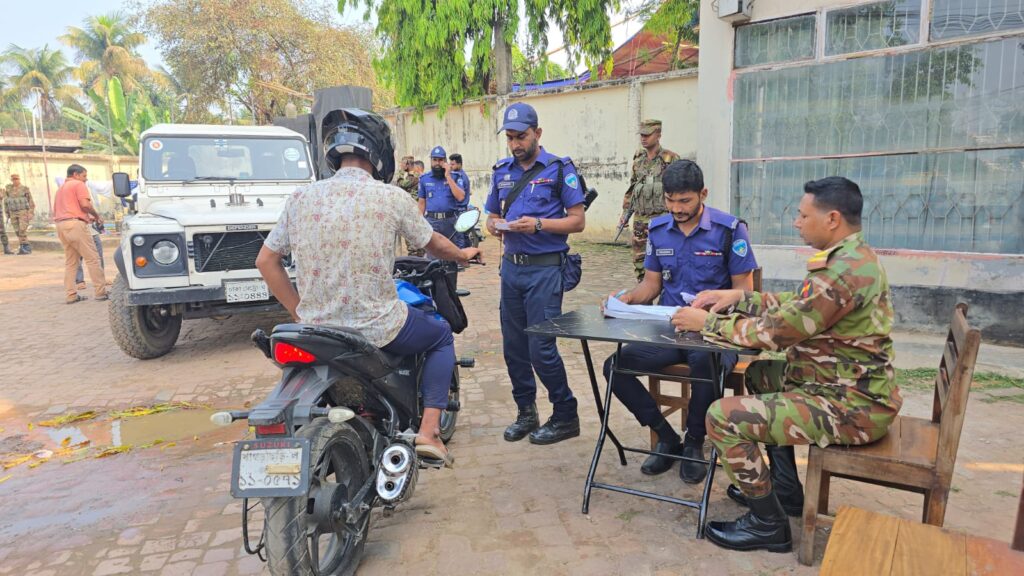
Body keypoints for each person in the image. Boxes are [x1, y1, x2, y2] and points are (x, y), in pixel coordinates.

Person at [675, 176, 901, 553]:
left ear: (831, 219)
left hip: (852, 406)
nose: (797, 222)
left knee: (721, 417)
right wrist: (742, 296)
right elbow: (799, 304)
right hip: (845, 383)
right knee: (764, 376)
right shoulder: (849, 257)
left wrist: (709, 323)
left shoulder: (841, 273)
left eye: (802, 215)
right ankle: (785, 490)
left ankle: (768, 523)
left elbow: (779, 333)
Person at [255, 108, 479, 465]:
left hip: (315, 331)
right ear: (378, 154)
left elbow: (266, 262)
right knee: (439, 335)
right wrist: (463, 254)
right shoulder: (391, 197)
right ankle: (429, 432)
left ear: (335, 154)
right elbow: (433, 243)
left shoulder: (300, 198)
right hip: (377, 328)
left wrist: (300, 312)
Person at [602, 160, 757, 483]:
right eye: (670, 201)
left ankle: (694, 443)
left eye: (684, 201)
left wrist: (710, 313)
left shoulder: (729, 231)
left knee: (705, 363)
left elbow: (745, 292)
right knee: (615, 366)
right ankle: (665, 435)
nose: (676, 208)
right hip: (670, 330)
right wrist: (626, 300)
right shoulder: (659, 230)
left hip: (716, 333)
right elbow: (651, 286)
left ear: (703, 194)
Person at [485, 102, 586, 445]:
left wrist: (539, 224)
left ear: (537, 133)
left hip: (545, 270)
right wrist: (495, 227)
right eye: (510, 137)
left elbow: (578, 220)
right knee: (514, 347)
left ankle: (565, 414)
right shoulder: (501, 172)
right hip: (512, 270)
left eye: (521, 136)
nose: (515, 144)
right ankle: (526, 412)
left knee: (541, 347)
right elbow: (488, 216)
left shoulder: (559, 169)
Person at [622, 120, 679, 281]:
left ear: (658, 135)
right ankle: (643, 296)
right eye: (642, 135)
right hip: (640, 219)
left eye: (648, 135)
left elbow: (679, 190)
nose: (644, 138)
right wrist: (625, 212)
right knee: (640, 263)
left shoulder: (671, 159)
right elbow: (633, 188)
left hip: (663, 219)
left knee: (665, 260)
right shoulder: (638, 160)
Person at [53, 165, 108, 304]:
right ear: (76, 174)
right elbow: (85, 205)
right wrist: (96, 215)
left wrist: (86, 218)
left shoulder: (60, 189)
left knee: (71, 262)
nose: (86, 179)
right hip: (75, 225)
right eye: (84, 176)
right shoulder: (78, 184)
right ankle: (100, 292)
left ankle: (71, 294)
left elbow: (68, 209)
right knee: (93, 258)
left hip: (61, 225)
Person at [418, 145, 467, 251]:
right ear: (431, 161)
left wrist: (448, 176)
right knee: (432, 255)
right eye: (434, 160)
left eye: (440, 160)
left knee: (452, 254)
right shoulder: (424, 179)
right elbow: (421, 203)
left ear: (445, 161)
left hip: (450, 222)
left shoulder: (455, 177)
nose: (437, 163)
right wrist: (419, 223)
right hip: (432, 222)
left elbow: (460, 197)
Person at [395, 155, 425, 257]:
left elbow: (400, 184)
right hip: (411, 209)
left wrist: (401, 172)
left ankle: (415, 258)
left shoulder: (415, 177)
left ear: (407, 164)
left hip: (414, 210)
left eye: (402, 164)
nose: (401, 166)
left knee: (413, 240)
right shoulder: (412, 176)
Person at [3, 174, 36, 255]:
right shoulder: (8, 189)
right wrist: (7, 213)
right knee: (17, 231)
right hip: (12, 212)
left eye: (17, 179)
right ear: (11, 180)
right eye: (13, 179)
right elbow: (6, 202)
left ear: (19, 179)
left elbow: (31, 201)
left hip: (23, 212)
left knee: (22, 230)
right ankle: (24, 247)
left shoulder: (25, 189)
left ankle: (26, 247)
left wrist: (31, 213)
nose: (15, 181)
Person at [449, 153, 471, 247]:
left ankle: (460, 259)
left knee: (459, 237)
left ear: (459, 164)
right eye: (450, 164)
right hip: (461, 210)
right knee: (463, 236)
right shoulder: (458, 175)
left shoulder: (460, 177)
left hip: (459, 210)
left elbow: (459, 196)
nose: (451, 166)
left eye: (453, 164)